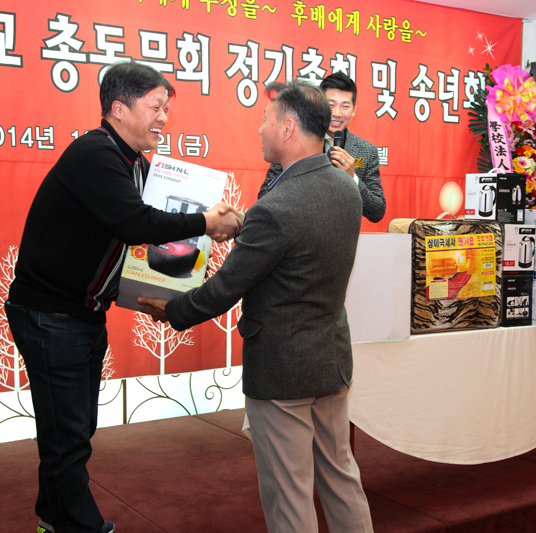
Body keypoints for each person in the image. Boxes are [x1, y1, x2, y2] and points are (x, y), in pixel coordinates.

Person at [5, 61, 243, 533]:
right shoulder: (96, 155)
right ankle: (75, 525)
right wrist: (205, 222)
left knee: (71, 429)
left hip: (79, 315)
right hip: (51, 316)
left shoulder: (133, 163)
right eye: (155, 107)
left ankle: (54, 517)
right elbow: (137, 224)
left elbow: (152, 224)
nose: (163, 118)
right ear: (119, 108)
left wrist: (212, 230)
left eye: (166, 108)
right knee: (68, 434)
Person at [138, 81, 374, 533]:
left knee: (289, 496)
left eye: (266, 119)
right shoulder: (346, 189)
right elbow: (299, 238)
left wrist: (174, 311)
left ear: (288, 128)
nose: (259, 129)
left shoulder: (279, 205)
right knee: (342, 479)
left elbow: (226, 288)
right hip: (330, 362)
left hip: (283, 370)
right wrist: (246, 224)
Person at [257, 71, 385, 223]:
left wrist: (353, 178)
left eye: (345, 106)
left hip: (343, 235)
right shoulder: (297, 141)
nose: (337, 113)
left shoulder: (367, 151)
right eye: (331, 105)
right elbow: (265, 196)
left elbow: (377, 211)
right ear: (320, 106)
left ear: (354, 109)